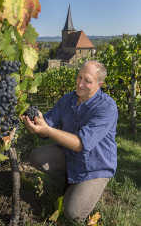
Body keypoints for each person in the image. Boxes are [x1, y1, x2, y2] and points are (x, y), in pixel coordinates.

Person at [22, 60, 118, 223]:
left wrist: (48, 130)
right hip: (69, 155)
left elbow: (81, 143)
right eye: (79, 77)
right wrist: (36, 123)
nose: (80, 83)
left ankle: (90, 187)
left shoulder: (107, 107)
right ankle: (69, 183)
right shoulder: (68, 100)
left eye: (87, 81)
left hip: (95, 166)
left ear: (99, 84)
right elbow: (48, 123)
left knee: (72, 213)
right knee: (37, 156)